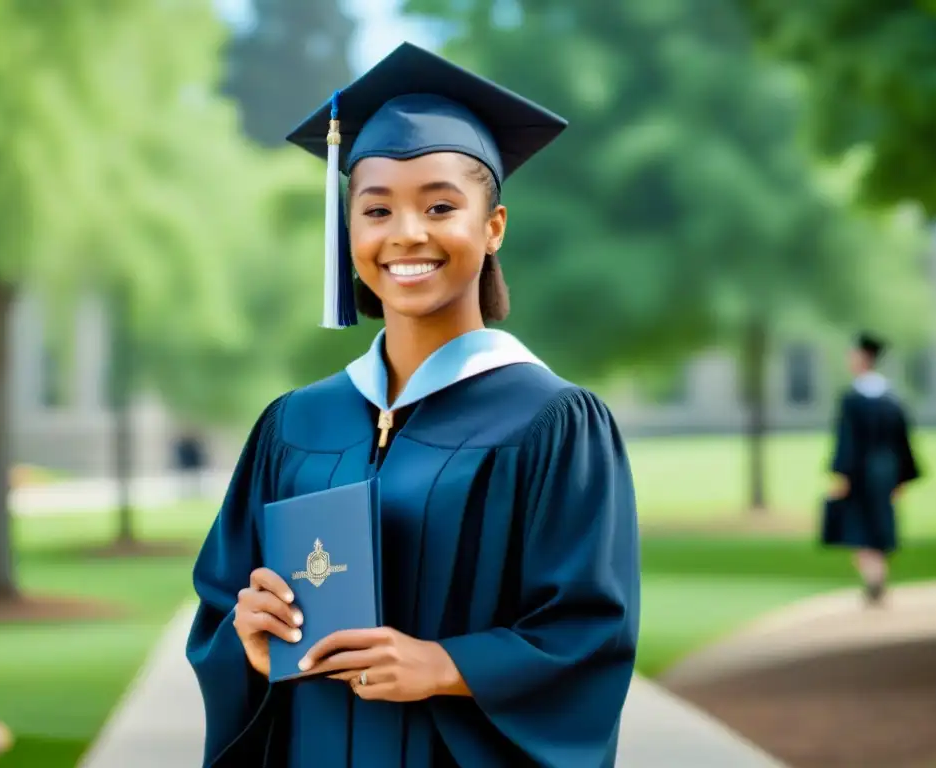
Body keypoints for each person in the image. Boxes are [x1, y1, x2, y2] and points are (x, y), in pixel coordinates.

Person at [184, 42, 640, 768]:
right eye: (376, 209)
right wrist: (247, 633)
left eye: (439, 205)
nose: (406, 234)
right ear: (350, 231)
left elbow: (589, 632)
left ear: (493, 228)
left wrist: (446, 665)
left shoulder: (552, 423)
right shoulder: (295, 424)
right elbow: (221, 606)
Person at [822, 332, 921, 605]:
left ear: (863, 358)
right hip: (887, 470)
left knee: (859, 528)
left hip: (860, 472)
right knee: (880, 524)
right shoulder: (891, 397)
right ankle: (878, 577)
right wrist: (902, 475)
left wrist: (841, 475)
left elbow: (847, 441)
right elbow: (902, 440)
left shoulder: (853, 399)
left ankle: (873, 577)